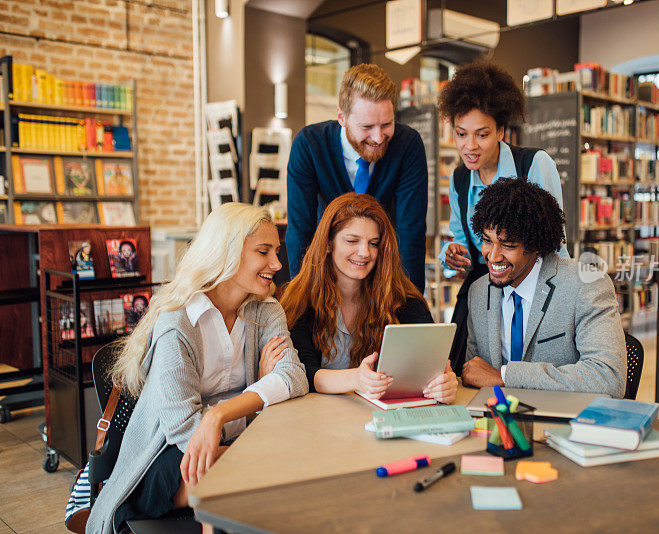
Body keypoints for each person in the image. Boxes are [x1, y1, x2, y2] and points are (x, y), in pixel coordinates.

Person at [85, 203, 309, 534]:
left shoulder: (266, 310)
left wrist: (220, 415)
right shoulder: (179, 322)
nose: (277, 264)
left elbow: (294, 377)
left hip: (227, 448)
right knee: (254, 476)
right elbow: (186, 431)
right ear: (227, 252)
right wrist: (258, 394)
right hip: (164, 459)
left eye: (276, 251)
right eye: (264, 252)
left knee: (275, 470)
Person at [437, 61, 569, 376]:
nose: (469, 146)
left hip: (533, 293)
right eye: (460, 134)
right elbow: (461, 237)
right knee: (465, 376)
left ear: (500, 130)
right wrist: (454, 254)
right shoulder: (459, 180)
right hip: (481, 295)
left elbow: (555, 245)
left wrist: (560, 307)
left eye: (482, 134)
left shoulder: (534, 165)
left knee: (533, 381)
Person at [281, 193, 457, 404]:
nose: (364, 252)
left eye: (374, 243)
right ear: (328, 243)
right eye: (352, 240)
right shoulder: (301, 299)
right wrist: (355, 378)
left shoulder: (404, 299)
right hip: (318, 421)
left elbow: (431, 364)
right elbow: (301, 372)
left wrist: (445, 383)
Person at [461, 179, 625, 397]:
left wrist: (505, 376)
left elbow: (608, 378)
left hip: (565, 425)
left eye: (508, 245)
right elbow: (475, 372)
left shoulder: (587, 285)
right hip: (498, 422)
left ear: (535, 245)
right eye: (487, 241)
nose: (492, 256)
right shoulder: (479, 292)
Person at [286, 63, 428, 291]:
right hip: (328, 273)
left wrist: (410, 304)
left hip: (384, 274)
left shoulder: (408, 145)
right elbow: (301, 230)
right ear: (342, 117)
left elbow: (411, 232)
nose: (379, 137)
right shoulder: (309, 145)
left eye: (387, 124)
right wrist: (301, 297)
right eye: (367, 126)